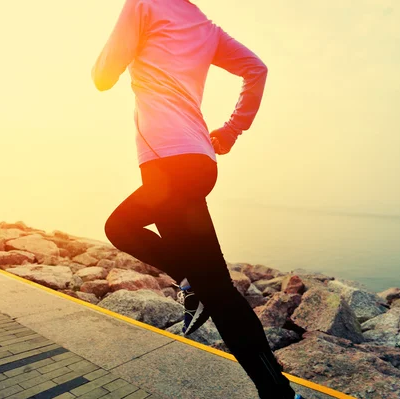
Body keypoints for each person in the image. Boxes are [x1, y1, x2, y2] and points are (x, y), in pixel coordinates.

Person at [92, 1, 300, 398]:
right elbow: (257, 70)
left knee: (128, 232)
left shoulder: (143, 6)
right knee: (212, 286)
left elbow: (102, 77)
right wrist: (231, 130)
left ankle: (278, 391)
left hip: (167, 165)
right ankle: (277, 390)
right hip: (199, 160)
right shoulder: (206, 28)